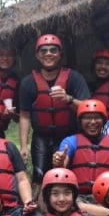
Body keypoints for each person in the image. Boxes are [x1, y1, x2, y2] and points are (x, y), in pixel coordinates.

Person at [18, 34, 90, 186]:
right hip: (41, 136)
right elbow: (24, 116)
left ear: (60, 54)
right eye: (43, 51)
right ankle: (41, 207)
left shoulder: (74, 78)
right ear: (37, 55)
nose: (48, 54)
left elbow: (88, 108)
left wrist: (69, 99)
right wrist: (24, 146)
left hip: (68, 135)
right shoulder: (28, 82)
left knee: (65, 175)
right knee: (39, 175)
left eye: (53, 50)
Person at [52, 99, 109, 198]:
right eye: (87, 118)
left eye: (97, 118)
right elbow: (62, 165)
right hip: (80, 196)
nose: (92, 122)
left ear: (104, 121)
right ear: (80, 121)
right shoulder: (70, 141)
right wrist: (59, 162)